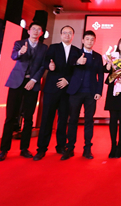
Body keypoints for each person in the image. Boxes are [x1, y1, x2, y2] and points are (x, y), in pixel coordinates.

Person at [0, 21, 48, 162]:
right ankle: (4, 150)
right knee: (10, 117)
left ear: (41, 33)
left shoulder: (44, 48)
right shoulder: (19, 43)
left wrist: (34, 80)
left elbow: (43, 66)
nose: (36, 31)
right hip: (16, 83)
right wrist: (21, 52)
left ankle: (24, 148)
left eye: (39, 29)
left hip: (32, 84)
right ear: (28, 31)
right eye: (33, 29)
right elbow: (13, 56)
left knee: (29, 118)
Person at [33, 25, 81, 161]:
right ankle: (41, 148)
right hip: (51, 89)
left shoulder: (77, 51)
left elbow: (77, 71)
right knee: (47, 118)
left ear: (73, 35)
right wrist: (49, 65)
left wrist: (68, 80)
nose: (67, 35)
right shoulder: (53, 48)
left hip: (66, 90)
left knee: (63, 119)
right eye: (64, 32)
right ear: (61, 35)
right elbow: (45, 61)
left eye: (70, 33)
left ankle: (60, 146)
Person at [61, 30, 104, 160]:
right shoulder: (75, 53)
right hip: (75, 92)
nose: (89, 41)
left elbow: (100, 75)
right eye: (87, 39)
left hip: (91, 93)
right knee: (72, 120)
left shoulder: (97, 56)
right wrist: (78, 62)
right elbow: (69, 66)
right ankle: (70, 148)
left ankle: (87, 149)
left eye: (92, 39)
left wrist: (99, 91)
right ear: (83, 40)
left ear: (94, 41)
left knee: (89, 121)